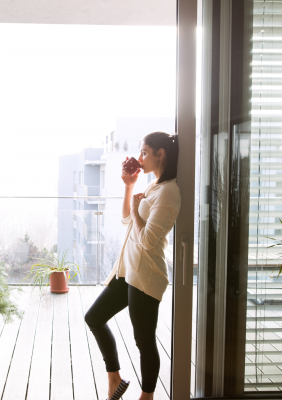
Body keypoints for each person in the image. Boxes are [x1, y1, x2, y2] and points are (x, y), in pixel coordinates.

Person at [84, 131, 181, 400]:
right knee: (94, 317)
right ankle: (114, 378)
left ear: (160, 154)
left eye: (144, 152)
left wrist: (138, 211)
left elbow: (148, 240)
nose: (140, 158)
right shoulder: (153, 186)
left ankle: (146, 397)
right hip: (127, 270)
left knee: (144, 342)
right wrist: (129, 187)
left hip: (146, 275)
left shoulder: (169, 192)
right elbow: (128, 220)